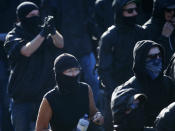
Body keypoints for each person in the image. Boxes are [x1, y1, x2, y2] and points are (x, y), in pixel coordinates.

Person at [4, 2, 64, 131]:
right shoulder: (13, 36)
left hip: (43, 96)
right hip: (22, 99)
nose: (35, 18)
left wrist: (53, 30)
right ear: (21, 18)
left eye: (37, 14)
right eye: (31, 15)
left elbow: (60, 44)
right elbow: (27, 51)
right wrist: (43, 33)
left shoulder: (43, 30)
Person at [40, 0, 100, 104]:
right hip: (63, 49)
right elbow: (48, 21)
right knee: (68, 83)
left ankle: (94, 112)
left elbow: (90, 16)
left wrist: (98, 36)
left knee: (93, 81)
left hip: (84, 46)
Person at [98, 0, 145, 130]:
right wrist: (119, 96)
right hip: (115, 92)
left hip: (139, 90)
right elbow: (104, 70)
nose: (135, 13)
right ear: (120, 12)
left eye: (136, 10)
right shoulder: (109, 37)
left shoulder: (141, 32)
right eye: (130, 11)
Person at [36, 53, 104, 131]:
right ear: (59, 74)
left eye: (76, 70)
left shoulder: (85, 89)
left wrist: (98, 117)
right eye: (69, 71)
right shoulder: (50, 99)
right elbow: (40, 129)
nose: (74, 74)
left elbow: (93, 113)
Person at [115, 40, 175, 126]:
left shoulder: (168, 83)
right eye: (152, 56)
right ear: (141, 60)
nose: (157, 59)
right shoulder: (129, 88)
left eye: (159, 55)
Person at [143, 0, 175, 67]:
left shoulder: (171, 23)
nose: (173, 13)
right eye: (169, 10)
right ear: (160, 10)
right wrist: (164, 37)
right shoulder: (148, 29)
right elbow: (151, 60)